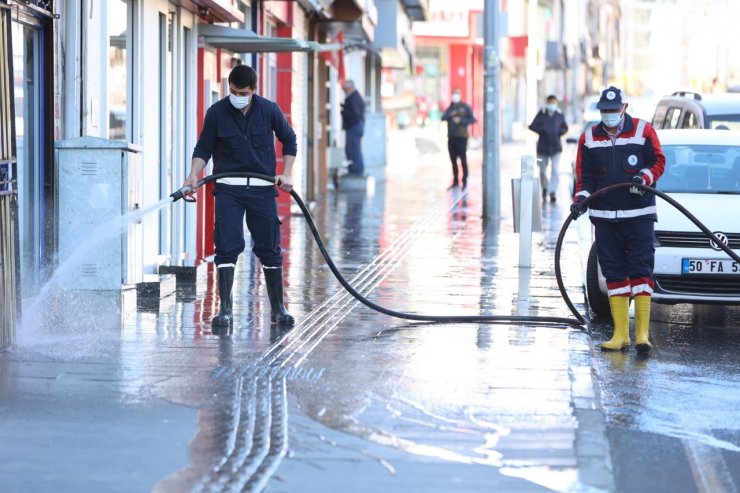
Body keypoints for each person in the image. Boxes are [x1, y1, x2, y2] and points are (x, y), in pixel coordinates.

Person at [182, 64, 297, 330]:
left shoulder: (269, 110)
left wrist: (287, 173)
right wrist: (192, 175)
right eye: (232, 91)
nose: (237, 96)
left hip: (261, 188)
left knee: (269, 247)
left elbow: (289, 140)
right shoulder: (217, 113)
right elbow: (204, 147)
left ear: (254, 91)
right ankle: (224, 310)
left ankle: (278, 309)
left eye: (242, 92)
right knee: (227, 245)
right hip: (228, 189)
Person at [571, 86, 665, 353]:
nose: (609, 115)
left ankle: (642, 336)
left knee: (641, 271)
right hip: (604, 219)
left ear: (624, 108)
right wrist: (580, 200)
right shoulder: (588, 138)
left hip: (638, 216)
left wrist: (644, 177)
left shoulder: (643, 131)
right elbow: (585, 180)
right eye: (604, 111)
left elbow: (659, 161)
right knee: (613, 274)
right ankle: (621, 334)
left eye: (613, 110)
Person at [528, 94, 569, 202]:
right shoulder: (541, 114)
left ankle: (552, 191)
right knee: (542, 171)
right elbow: (532, 126)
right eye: (550, 103)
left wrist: (559, 132)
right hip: (543, 148)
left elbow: (565, 128)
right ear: (547, 103)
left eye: (554, 103)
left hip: (556, 147)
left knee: (555, 170)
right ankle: (545, 188)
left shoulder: (559, 115)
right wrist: (542, 130)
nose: (552, 105)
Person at [441, 89, 476, 189]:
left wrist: (461, 121)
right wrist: (450, 115)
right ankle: (455, 181)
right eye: (453, 94)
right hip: (451, 138)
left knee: (463, 160)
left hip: (462, 138)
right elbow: (443, 117)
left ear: (459, 95)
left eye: (456, 94)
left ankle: (464, 181)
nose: (454, 96)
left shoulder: (465, 107)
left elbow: (472, 119)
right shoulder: (450, 108)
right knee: (453, 161)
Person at [340, 79, 365, 177]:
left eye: (345, 89)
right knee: (351, 149)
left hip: (354, 126)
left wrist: (343, 111)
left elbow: (355, 113)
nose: (344, 91)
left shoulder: (354, 97)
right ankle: (354, 170)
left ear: (350, 88)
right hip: (354, 126)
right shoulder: (353, 97)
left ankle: (356, 172)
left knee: (354, 150)